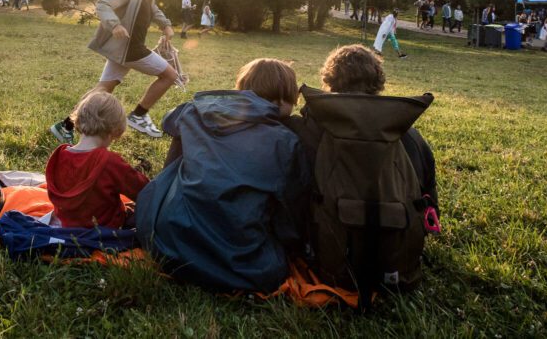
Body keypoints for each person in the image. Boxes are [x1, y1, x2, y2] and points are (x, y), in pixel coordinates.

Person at [135, 58, 308, 293]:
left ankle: (169, 206)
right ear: (283, 100)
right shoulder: (285, 141)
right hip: (241, 264)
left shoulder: (196, 112)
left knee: (184, 151)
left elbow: (169, 120)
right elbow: (290, 213)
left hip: (166, 244)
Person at [281, 45, 438, 294]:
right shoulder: (410, 136)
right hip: (399, 268)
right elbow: (430, 203)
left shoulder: (308, 130)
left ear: (329, 82)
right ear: (379, 82)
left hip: (324, 262)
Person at [49, 0, 178, 143]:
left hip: (124, 51)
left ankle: (66, 125)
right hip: (131, 50)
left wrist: (166, 25)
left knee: (103, 89)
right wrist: (114, 24)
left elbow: (155, 11)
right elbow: (103, 4)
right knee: (170, 75)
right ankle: (139, 115)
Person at [45, 91, 150, 229]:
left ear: (78, 119)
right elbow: (144, 191)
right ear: (115, 130)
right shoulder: (110, 162)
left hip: (65, 225)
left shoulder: (59, 155)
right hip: (104, 228)